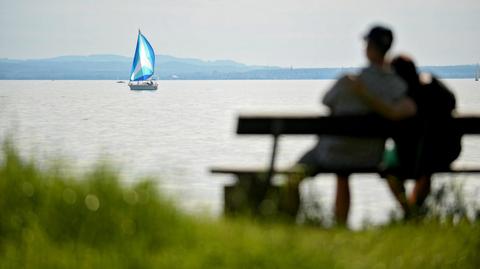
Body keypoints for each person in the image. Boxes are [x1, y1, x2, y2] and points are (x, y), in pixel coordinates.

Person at [281, 25, 416, 226]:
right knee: (342, 169)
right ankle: (411, 217)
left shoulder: (348, 82)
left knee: (294, 175)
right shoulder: (398, 86)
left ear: (369, 48)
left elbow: (326, 101)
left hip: (332, 153)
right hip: (371, 155)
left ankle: (289, 223)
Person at [377, 55, 461, 218]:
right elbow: (452, 101)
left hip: (414, 157)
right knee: (426, 165)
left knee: (388, 166)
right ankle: (414, 212)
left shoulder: (403, 98)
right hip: (446, 152)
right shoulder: (435, 87)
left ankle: (409, 212)